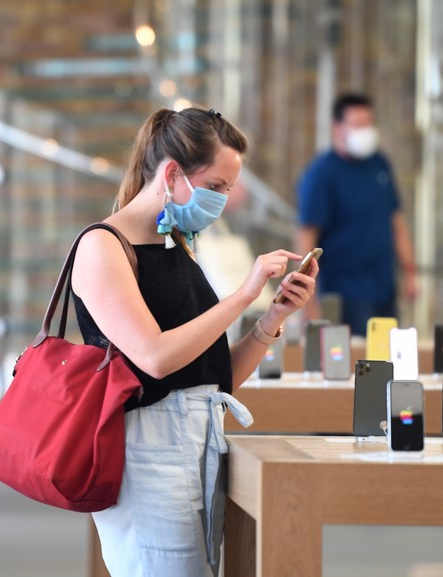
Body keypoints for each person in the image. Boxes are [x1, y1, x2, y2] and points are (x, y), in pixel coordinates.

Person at [70, 107, 317, 577]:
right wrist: (245, 293)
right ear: (171, 173)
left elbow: (212, 377)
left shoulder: (177, 244)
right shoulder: (102, 246)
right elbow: (156, 358)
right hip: (148, 449)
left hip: (200, 437)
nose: (224, 200)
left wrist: (272, 317)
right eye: (217, 187)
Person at [296, 93, 416, 336]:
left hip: (384, 287)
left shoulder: (379, 164)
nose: (366, 131)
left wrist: (409, 272)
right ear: (337, 128)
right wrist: (307, 301)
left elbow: (396, 221)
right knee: (355, 363)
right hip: (344, 293)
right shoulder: (322, 173)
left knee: (386, 358)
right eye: (358, 124)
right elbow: (306, 235)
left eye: (369, 124)